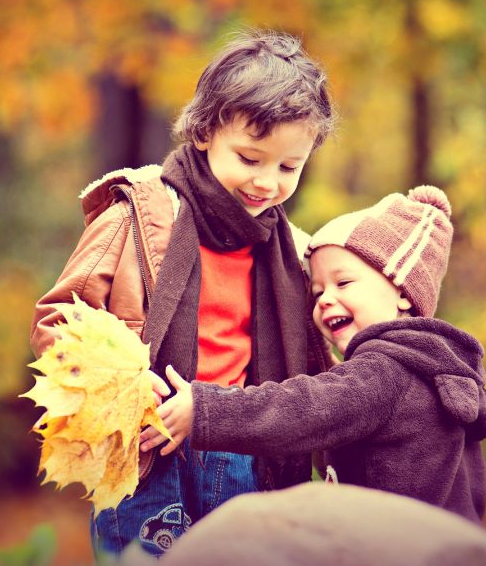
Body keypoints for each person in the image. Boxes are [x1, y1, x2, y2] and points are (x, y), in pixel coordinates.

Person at [29, 30, 337, 558]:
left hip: (244, 458)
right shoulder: (139, 217)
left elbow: (324, 373)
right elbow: (60, 321)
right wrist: (128, 387)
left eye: (289, 167)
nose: (267, 182)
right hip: (147, 454)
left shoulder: (291, 253)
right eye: (250, 157)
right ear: (204, 132)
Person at [142, 186, 486, 522]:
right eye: (317, 292)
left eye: (343, 282)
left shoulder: (385, 372)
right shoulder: (435, 370)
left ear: (404, 292)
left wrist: (205, 409)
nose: (325, 298)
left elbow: (302, 410)